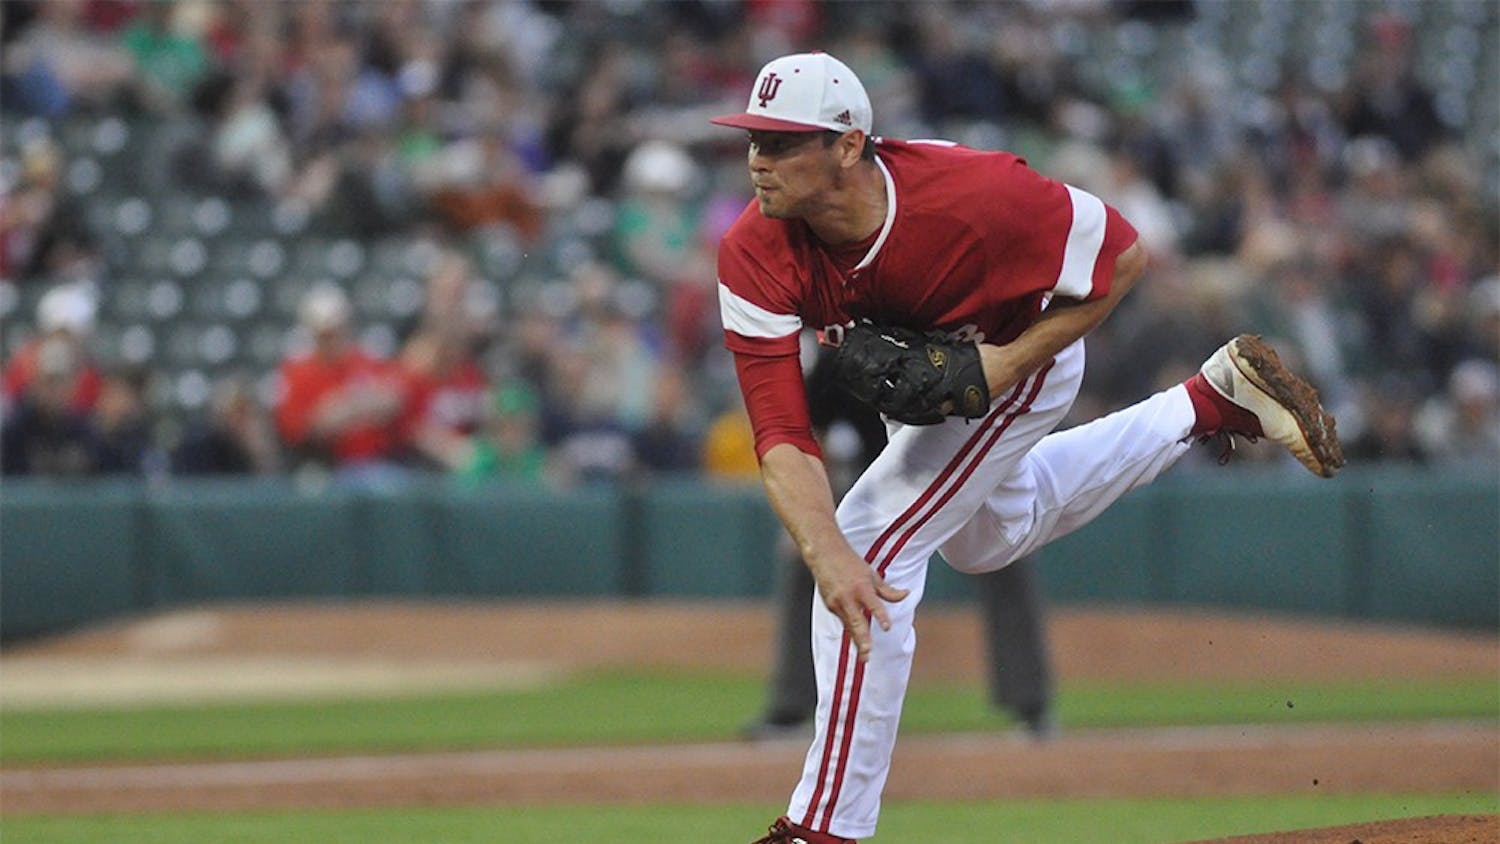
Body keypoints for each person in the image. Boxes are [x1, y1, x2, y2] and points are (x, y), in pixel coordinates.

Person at [713, 53, 1344, 844]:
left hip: (1019, 356)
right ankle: (1206, 401)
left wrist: (1006, 363)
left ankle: (824, 827)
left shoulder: (974, 199)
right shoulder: (753, 250)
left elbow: (1122, 257)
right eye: (753, 140)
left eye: (780, 143)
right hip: (925, 393)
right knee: (984, 540)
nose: (756, 161)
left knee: (873, 539)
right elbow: (779, 433)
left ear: (847, 145)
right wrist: (818, 546)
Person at [746, 344, 1055, 743]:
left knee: (1008, 554)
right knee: (810, 557)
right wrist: (811, 526)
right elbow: (809, 436)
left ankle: (1031, 704)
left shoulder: (949, 334)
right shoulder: (841, 348)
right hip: (879, 484)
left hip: (961, 473)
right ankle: (791, 708)